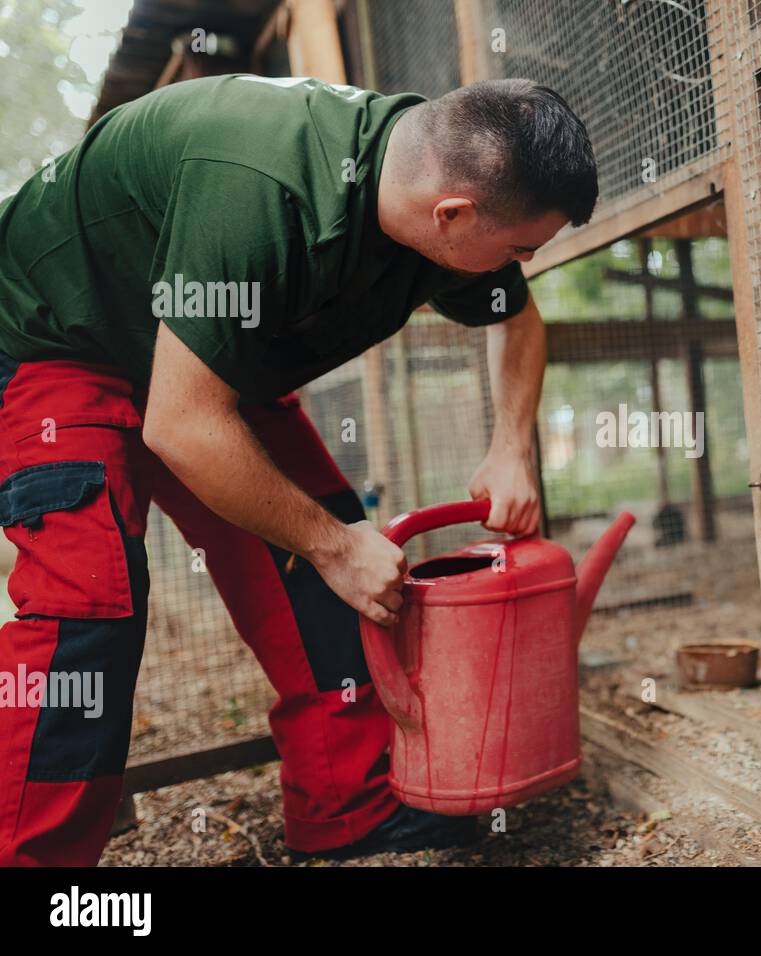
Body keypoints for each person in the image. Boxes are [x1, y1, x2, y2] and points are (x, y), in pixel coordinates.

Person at [0, 73, 598, 865]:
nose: (520, 264)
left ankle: (346, 806)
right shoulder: (262, 192)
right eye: (521, 249)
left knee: (332, 573)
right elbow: (181, 425)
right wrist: (334, 544)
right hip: (57, 338)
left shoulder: (442, 204)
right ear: (452, 214)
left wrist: (512, 444)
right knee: (90, 606)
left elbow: (516, 321)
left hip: (212, 361)